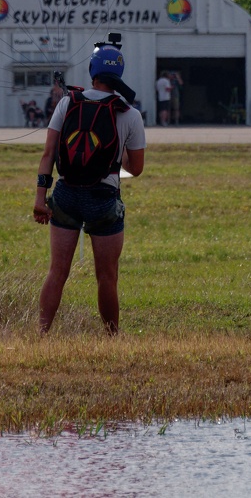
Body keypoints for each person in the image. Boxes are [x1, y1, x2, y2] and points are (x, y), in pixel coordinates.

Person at [33, 42, 146, 335]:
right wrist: (114, 153)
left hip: (66, 194)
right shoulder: (130, 114)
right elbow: (136, 168)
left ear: (92, 71)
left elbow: (48, 154)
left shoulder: (68, 102)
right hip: (104, 198)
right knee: (106, 277)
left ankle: (41, 335)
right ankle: (111, 338)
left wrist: (39, 198)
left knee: (57, 272)